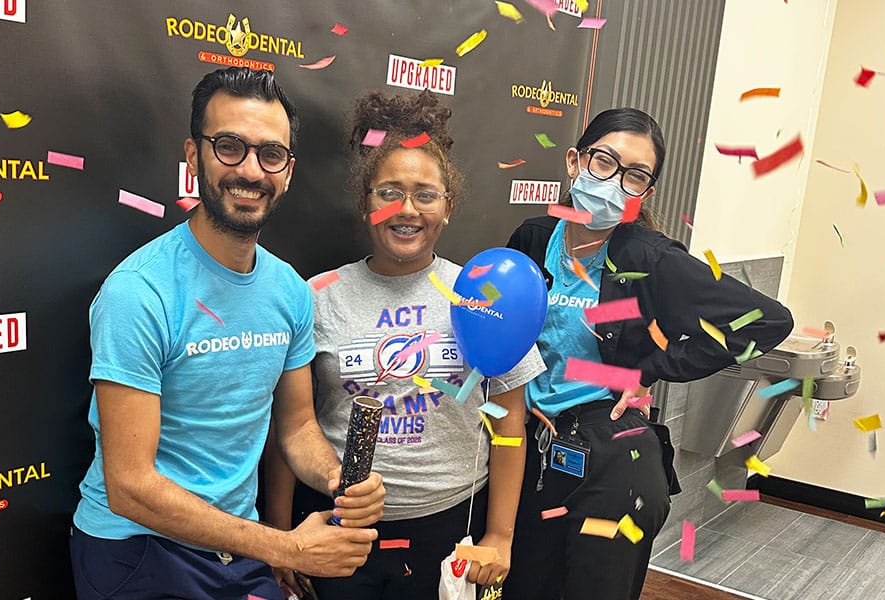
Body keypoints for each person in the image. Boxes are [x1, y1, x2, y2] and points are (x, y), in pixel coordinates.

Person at [69, 67, 385, 600]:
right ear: (193, 155)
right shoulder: (138, 293)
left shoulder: (288, 290)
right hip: (138, 548)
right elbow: (130, 488)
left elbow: (299, 426)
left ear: (288, 171)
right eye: (230, 147)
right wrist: (284, 548)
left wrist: (337, 479)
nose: (251, 171)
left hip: (239, 547)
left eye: (270, 155)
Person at [265, 89, 545, 600]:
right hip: (337, 530)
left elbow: (509, 426)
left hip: (451, 531)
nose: (407, 209)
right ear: (365, 202)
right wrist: (281, 537)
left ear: (448, 206)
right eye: (388, 192)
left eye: (426, 193)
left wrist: (500, 537)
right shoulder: (316, 296)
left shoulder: (483, 294)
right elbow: (292, 426)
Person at [504, 107, 794, 599]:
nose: (615, 183)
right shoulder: (533, 240)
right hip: (535, 448)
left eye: (634, 176)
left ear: (646, 193)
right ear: (575, 162)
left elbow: (769, 322)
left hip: (613, 453)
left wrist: (650, 369)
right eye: (604, 163)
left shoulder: (652, 261)